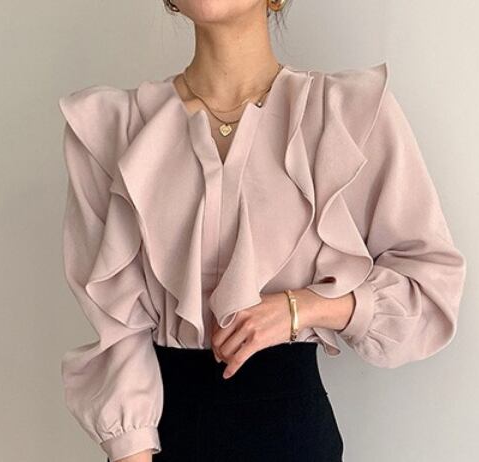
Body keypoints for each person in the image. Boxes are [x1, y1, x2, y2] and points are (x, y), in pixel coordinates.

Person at [57, 1, 467, 461]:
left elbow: (429, 288)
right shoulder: (113, 128)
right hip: (162, 438)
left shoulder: (347, 113)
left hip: (291, 434)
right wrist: (130, 450)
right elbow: (117, 325)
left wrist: (303, 307)